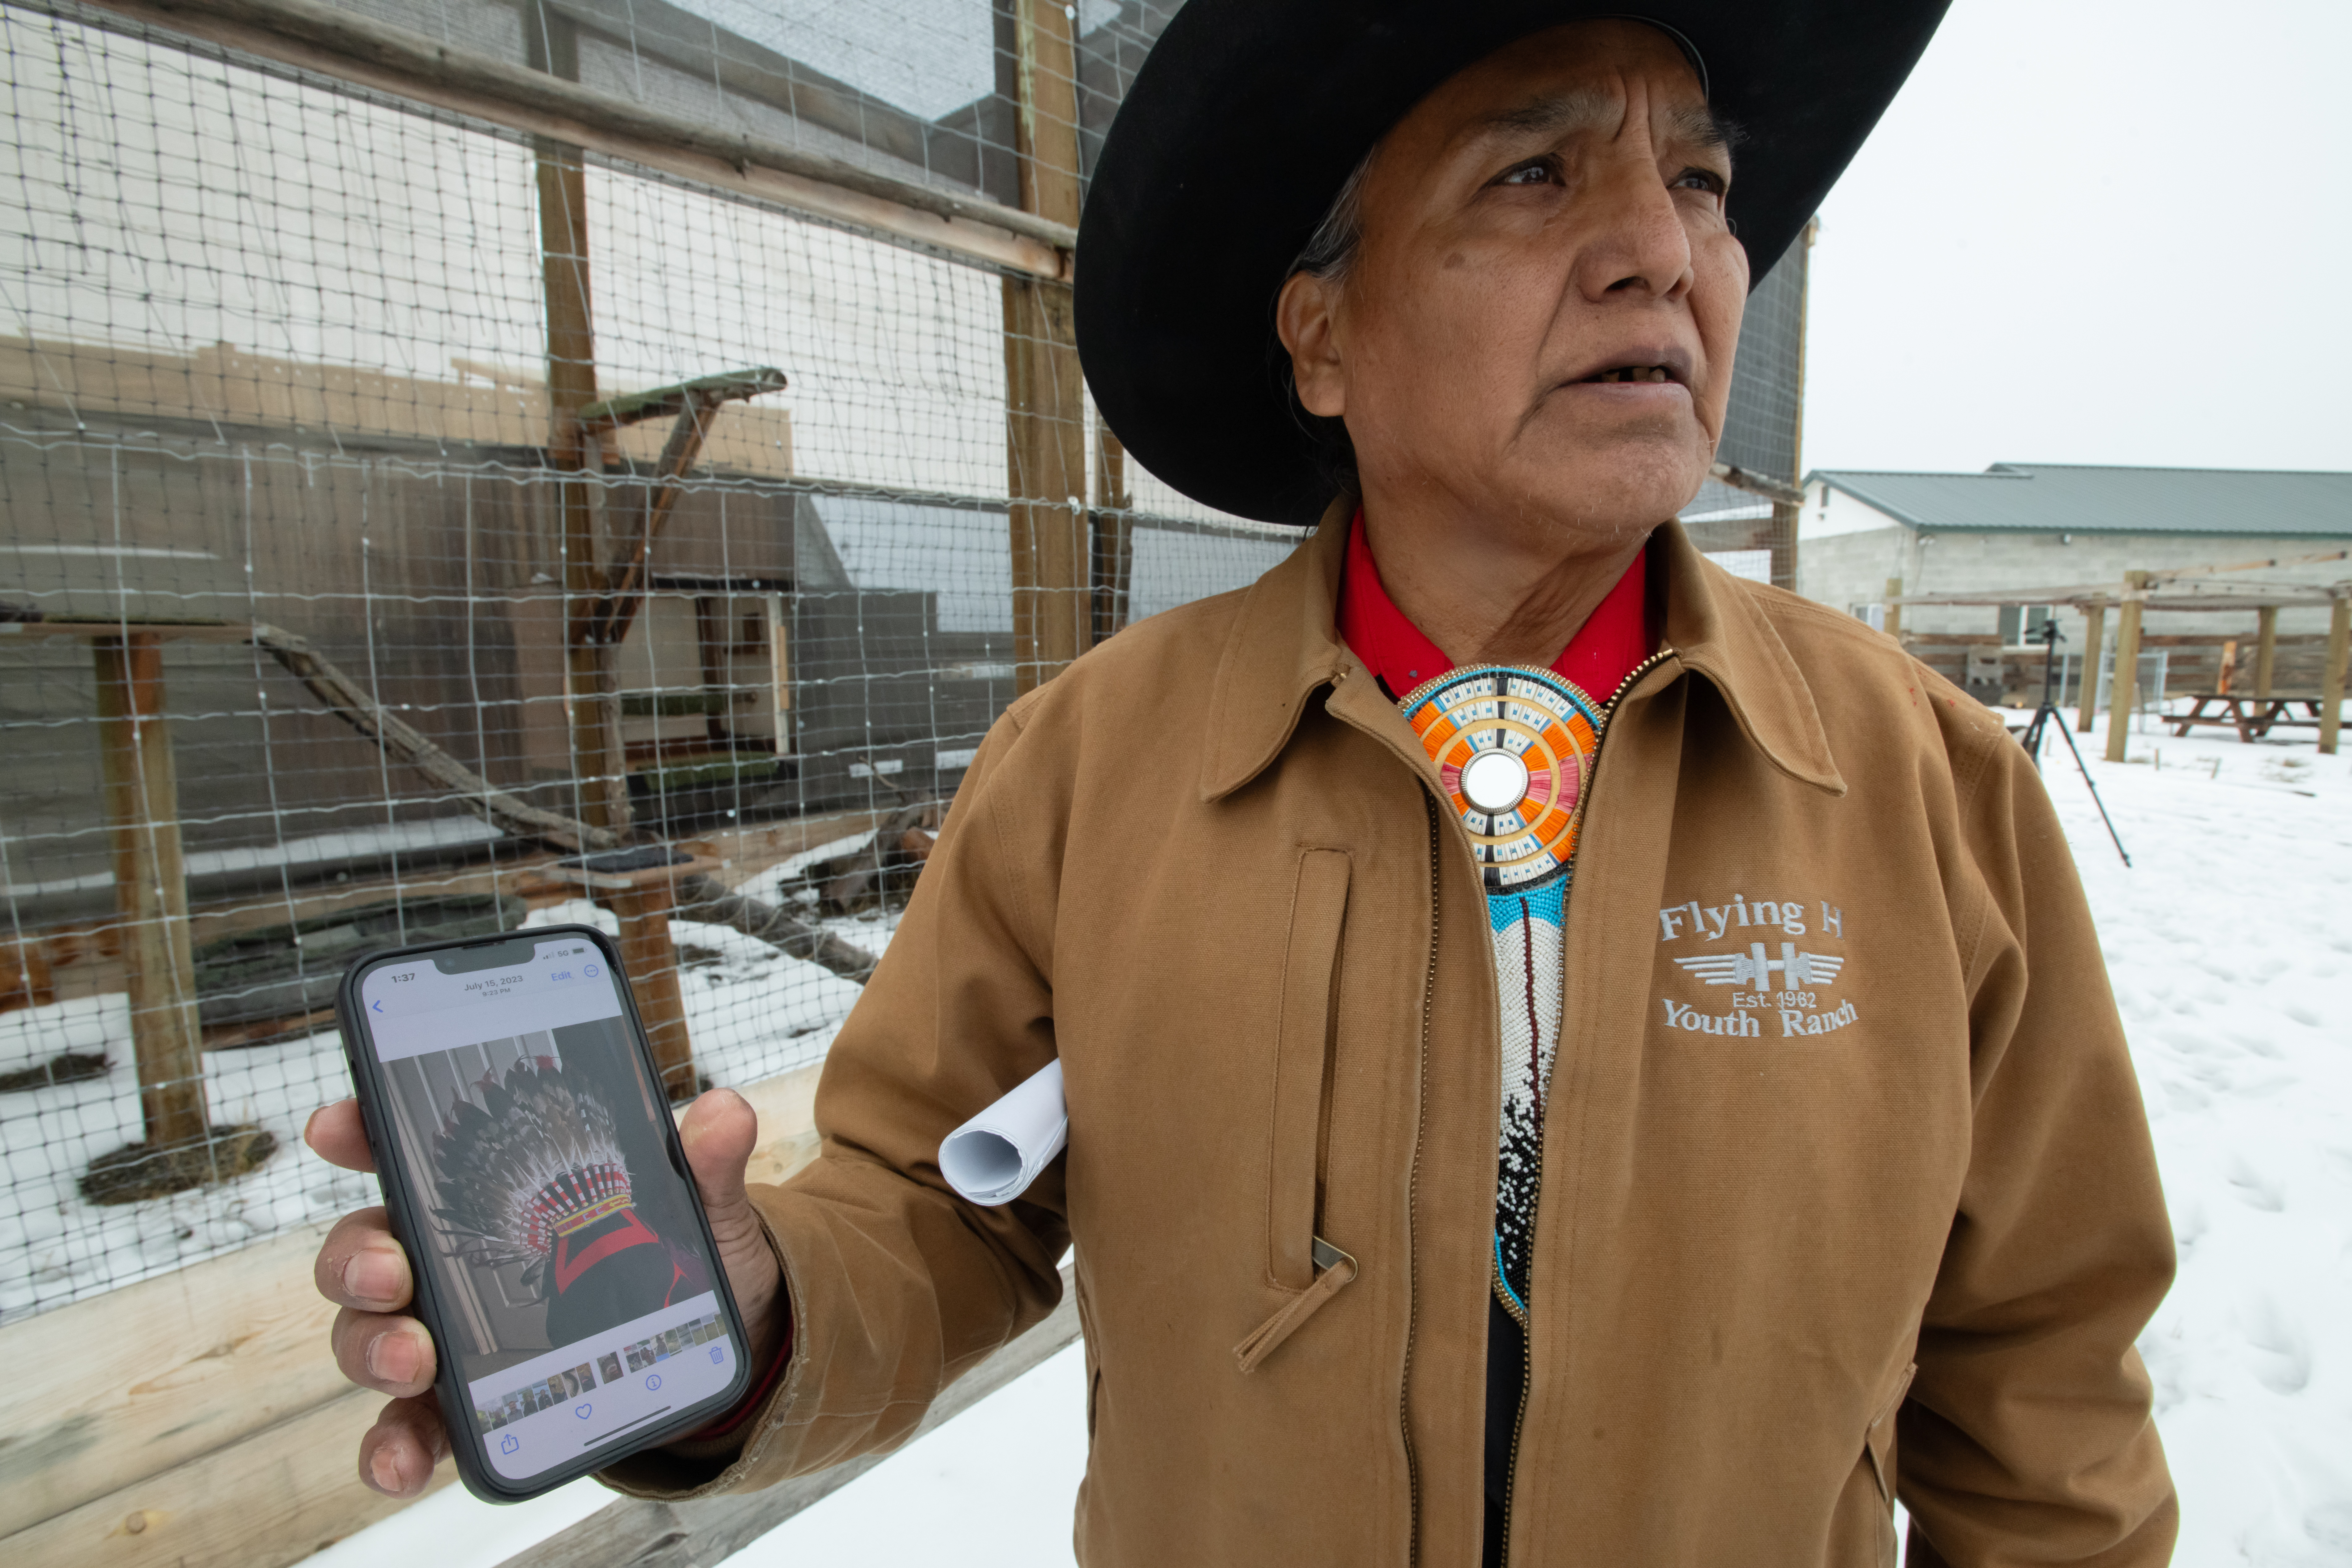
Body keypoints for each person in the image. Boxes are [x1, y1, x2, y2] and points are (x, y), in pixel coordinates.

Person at [303, 3, 2179, 1562]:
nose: (1659, 248)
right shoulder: (1095, 764)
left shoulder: (1919, 780)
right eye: (1533, 173)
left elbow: (2041, 1374)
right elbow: (926, 1210)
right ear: (1321, 334)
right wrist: (741, 1311)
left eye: (1696, 179)